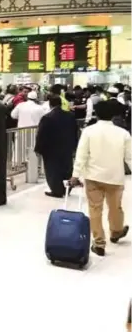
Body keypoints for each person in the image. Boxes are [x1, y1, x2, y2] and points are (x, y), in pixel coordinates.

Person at [70, 99, 131, 256]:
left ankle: (99, 243)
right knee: (115, 207)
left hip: (93, 176)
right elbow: (130, 157)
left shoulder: (89, 131)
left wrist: (75, 175)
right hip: (115, 177)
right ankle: (116, 231)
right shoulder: (123, 133)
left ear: (96, 114)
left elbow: (81, 155)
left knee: (95, 209)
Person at [34, 97, 79, 198]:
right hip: (67, 147)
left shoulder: (47, 117)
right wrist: (75, 146)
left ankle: (57, 190)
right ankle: (67, 188)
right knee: (67, 168)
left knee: (52, 170)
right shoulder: (70, 116)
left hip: (51, 149)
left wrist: (38, 148)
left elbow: (41, 134)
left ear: (50, 105)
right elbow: (75, 132)